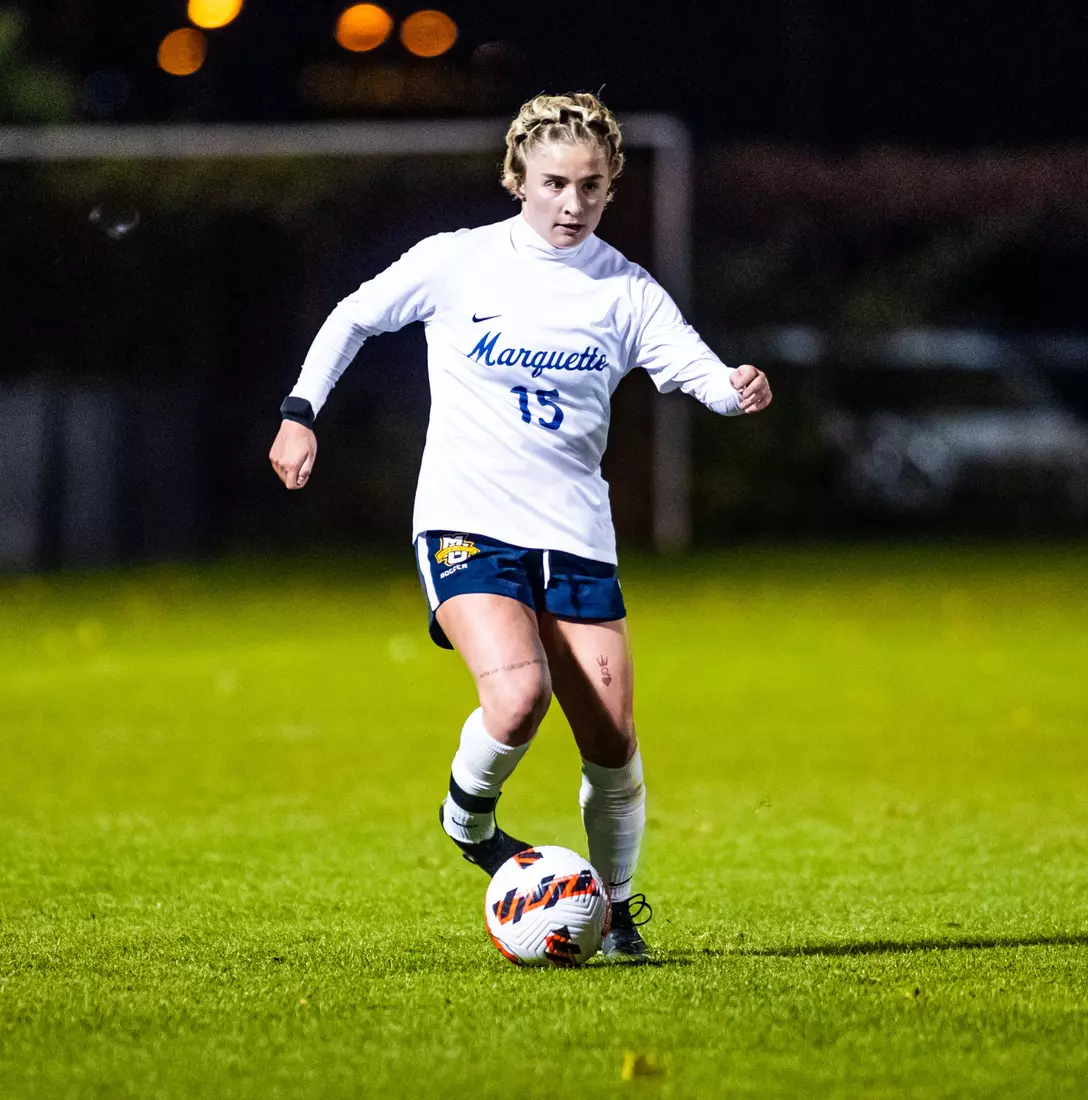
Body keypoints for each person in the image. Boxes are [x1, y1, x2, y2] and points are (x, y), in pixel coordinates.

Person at [269, 92, 772, 960]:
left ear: (610, 186)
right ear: (518, 179)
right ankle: (467, 818)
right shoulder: (456, 262)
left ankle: (615, 912)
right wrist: (299, 411)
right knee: (517, 697)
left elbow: (696, 370)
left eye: (591, 186)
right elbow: (354, 316)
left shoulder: (625, 290)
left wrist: (736, 388)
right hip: (466, 519)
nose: (573, 203)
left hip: (574, 532)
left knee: (612, 745)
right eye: (554, 184)